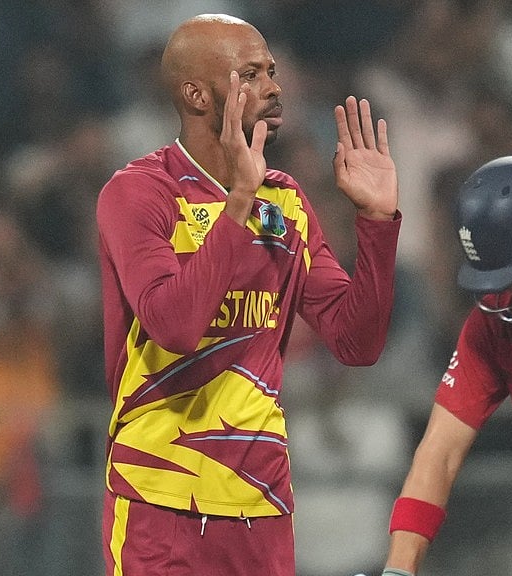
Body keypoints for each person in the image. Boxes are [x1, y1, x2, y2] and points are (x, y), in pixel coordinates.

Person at [96, 13, 400, 576]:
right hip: (159, 502)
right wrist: (238, 202)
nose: (274, 87)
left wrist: (377, 223)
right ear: (196, 94)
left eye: (274, 71)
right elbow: (175, 326)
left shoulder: (284, 201)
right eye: (251, 74)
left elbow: (356, 342)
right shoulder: (138, 193)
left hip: (262, 505)